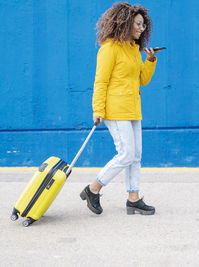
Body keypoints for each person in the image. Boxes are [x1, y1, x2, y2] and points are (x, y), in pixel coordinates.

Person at [80, 2, 161, 215]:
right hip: (114, 110)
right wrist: (97, 110)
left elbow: (142, 80)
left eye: (143, 25)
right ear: (125, 23)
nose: (141, 29)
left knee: (136, 155)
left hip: (133, 109)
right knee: (125, 154)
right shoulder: (109, 48)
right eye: (137, 24)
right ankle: (93, 188)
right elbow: (101, 81)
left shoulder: (134, 50)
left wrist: (150, 60)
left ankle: (133, 198)